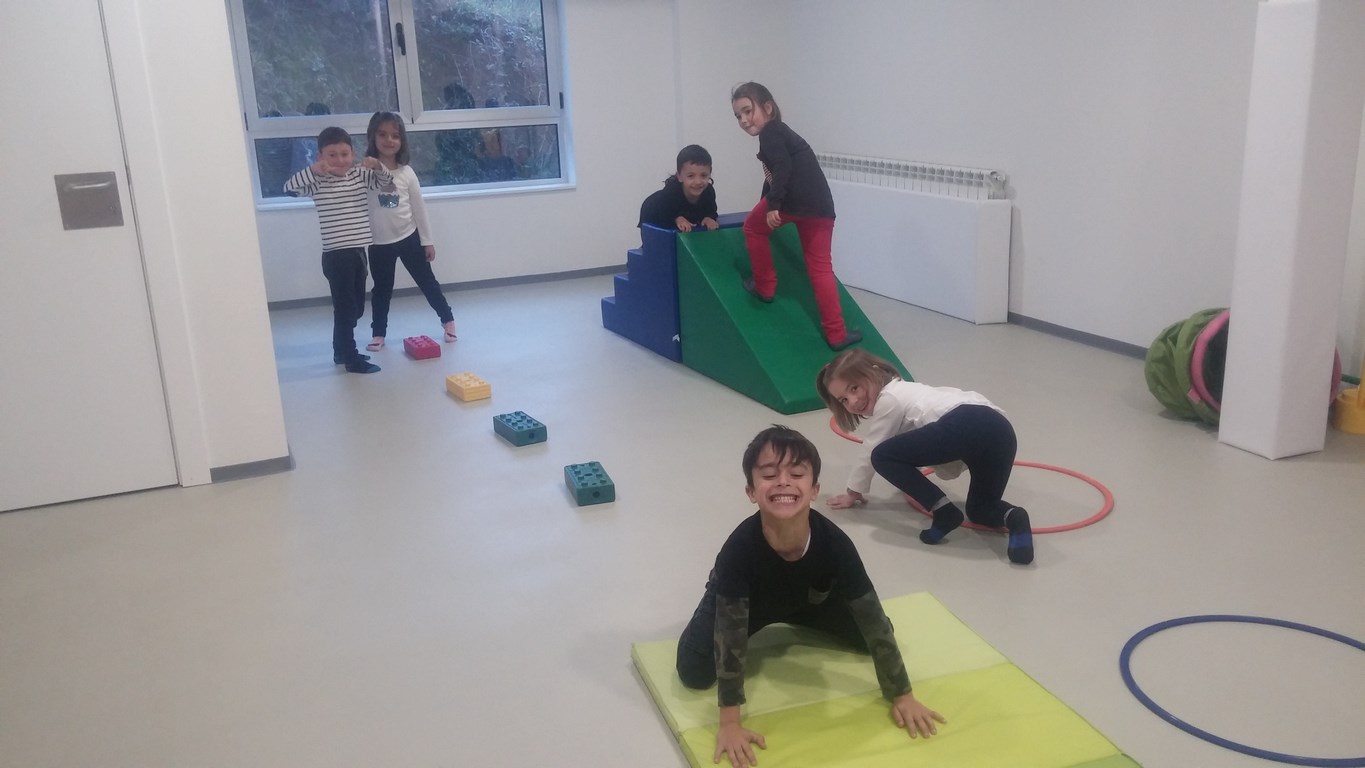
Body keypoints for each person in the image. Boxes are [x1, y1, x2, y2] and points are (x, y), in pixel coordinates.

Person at [676, 425, 944, 768]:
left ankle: (796, 616)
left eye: (797, 474)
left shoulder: (835, 544)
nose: (783, 482)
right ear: (751, 491)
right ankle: (718, 591)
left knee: (876, 636)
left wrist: (902, 695)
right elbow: (730, 633)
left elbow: (872, 618)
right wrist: (730, 723)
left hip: (809, 602)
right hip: (750, 607)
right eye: (769, 475)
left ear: (814, 489)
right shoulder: (738, 550)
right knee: (694, 671)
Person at [816, 349, 1034, 565]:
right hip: (1000, 430)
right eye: (844, 400)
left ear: (874, 371)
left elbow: (872, 447)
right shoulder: (909, 390)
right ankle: (1015, 518)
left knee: (881, 455)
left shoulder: (889, 399)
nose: (853, 401)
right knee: (981, 508)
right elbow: (915, 443)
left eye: (854, 388)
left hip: (967, 422)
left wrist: (853, 491)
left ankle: (944, 510)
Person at [730, 82, 860, 351]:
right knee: (821, 268)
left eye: (747, 111)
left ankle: (765, 286)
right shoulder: (783, 134)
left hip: (793, 200)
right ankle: (836, 334)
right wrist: (766, 201)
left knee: (752, 229)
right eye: (738, 116)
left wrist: (774, 204)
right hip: (821, 206)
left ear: (768, 108)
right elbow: (774, 176)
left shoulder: (771, 132)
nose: (743, 120)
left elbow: (783, 167)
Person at [284, 126, 394, 374]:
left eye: (345, 154)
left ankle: (340, 350)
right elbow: (289, 188)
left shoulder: (359, 175)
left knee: (356, 308)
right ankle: (351, 358)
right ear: (320, 156)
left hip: (358, 251)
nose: (340, 160)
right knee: (346, 309)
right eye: (332, 155)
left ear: (353, 153)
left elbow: (387, 183)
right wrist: (312, 170)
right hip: (336, 255)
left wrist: (377, 165)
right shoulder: (317, 181)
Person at [362, 111, 457, 351]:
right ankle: (378, 333)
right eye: (382, 134)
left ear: (402, 140)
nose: (389, 140)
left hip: (409, 238)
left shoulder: (406, 173)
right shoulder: (366, 173)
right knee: (381, 291)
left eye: (395, 135)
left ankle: (448, 320)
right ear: (373, 137)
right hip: (379, 244)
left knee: (427, 282)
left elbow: (419, 209)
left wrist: (427, 241)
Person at [638, 144, 720, 233]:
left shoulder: (708, 192)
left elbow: (711, 211)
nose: (698, 182)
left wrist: (709, 218)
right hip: (653, 214)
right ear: (679, 176)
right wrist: (677, 219)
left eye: (703, 175)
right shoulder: (670, 192)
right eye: (691, 176)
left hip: (683, 213)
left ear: (709, 174)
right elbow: (665, 212)